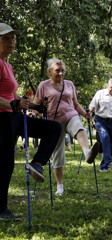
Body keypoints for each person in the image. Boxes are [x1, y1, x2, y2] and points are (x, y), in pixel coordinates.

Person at [0, 23, 62, 220]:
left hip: (14, 116)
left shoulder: (8, 65)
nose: (11, 41)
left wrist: (34, 106)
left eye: (13, 38)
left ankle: (36, 163)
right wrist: (12, 104)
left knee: (53, 128)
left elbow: (12, 94)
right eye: (6, 38)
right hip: (3, 118)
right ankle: (1, 209)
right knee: (5, 163)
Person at [34, 58, 100, 196]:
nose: (60, 73)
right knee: (58, 153)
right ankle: (60, 186)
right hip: (54, 122)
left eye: (62, 71)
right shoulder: (43, 85)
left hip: (71, 114)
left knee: (78, 126)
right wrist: (40, 109)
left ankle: (87, 153)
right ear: (49, 72)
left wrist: (85, 114)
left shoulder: (69, 84)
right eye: (57, 71)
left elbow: (75, 104)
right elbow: (35, 107)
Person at [89, 78, 112, 172]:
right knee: (105, 137)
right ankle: (110, 161)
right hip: (100, 120)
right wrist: (91, 109)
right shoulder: (100, 93)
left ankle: (104, 167)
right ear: (108, 86)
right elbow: (92, 105)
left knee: (111, 143)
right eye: (111, 87)